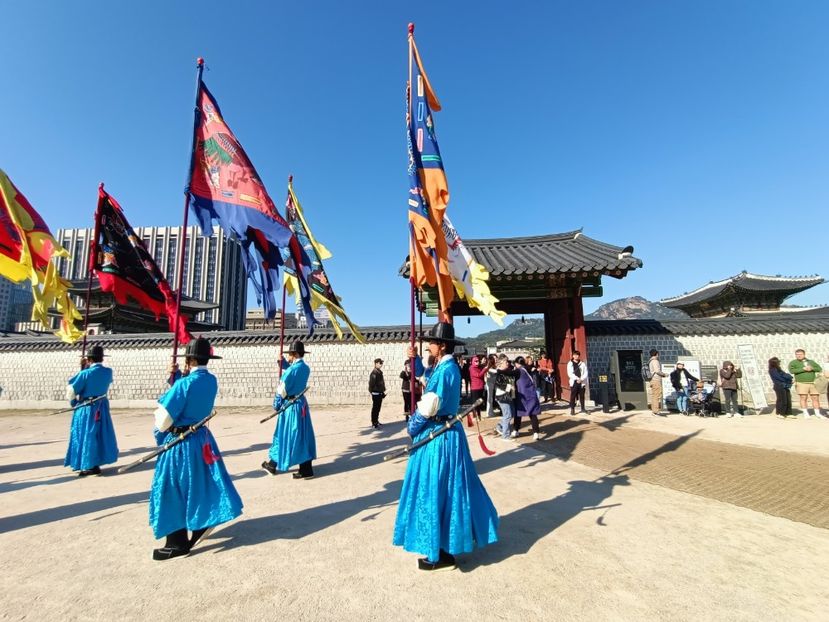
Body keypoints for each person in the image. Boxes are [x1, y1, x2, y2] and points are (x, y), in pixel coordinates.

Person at [393, 322, 499, 571]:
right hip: (447, 434)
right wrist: (415, 359)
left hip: (439, 437)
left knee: (437, 489)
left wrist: (412, 427)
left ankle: (439, 552)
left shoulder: (445, 370)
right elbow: (425, 377)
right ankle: (445, 545)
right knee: (447, 488)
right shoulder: (444, 366)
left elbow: (429, 405)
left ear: (440, 346)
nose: (428, 345)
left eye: (431, 342)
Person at [149, 336, 243, 560]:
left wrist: (174, 387)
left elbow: (163, 421)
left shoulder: (184, 384)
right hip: (200, 438)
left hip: (181, 442)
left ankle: (177, 542)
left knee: (171, 488)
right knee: (197, 484)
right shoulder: (210, 380)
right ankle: (202, 522)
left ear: (189, 359)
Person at [263, 340, 317, 477]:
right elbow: (294, 373)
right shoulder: (305, 368)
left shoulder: (290, 371)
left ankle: (273, 464)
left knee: (285, 435)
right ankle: (306, 469)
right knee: (302, 435)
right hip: (301, 405)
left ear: (295, 354)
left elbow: (281, 390)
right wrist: (283, 364)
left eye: (290, 354)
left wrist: (276, 405)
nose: (289, 356)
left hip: (290, 407)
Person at [64, 344, 118, 477]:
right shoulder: (108, 372)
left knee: (86, 435)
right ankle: (95, 463)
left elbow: (71, 390)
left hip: (87, 407)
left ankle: (87, 465)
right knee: (99, 434)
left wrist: (74, 403)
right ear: (102, 358)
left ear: (89, 359)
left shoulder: (84, 373)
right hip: (101, 406)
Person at [788, 349, 824, 419]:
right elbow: (791, 371)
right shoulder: (793, 362)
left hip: (813, 383)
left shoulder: (811, 361)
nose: (799, 356)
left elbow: (819, 368)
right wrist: (803, 369)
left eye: (800, 354)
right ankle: (806, 413)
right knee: (803, 397)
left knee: (815, 398)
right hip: (801, 383)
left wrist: (812, 368)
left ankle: (817, 413)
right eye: (797, 354)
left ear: (804, 354)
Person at [513, 356, 542, 440]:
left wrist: (499, 370)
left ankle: (515, 430)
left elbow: (509, 373)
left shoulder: (519, 370)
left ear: (517, 363)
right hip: (531, 394)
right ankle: (536, 433)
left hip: (521, 395)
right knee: (532, 414)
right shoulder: (528, 369)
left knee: (518, 413)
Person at [494, 354, 520, 439]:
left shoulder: (507, 371)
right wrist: (509, 387)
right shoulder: (499, 373)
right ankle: (505, 435)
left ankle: (499, 426)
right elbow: (498, 384)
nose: (507, 363)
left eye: (507, 361)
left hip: (508, 396)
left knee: (511, 413)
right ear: (500, 363)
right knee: (508, 415)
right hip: (502, 397)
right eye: (506, 362)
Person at [567, 350, 589, 416]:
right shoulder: (570, 363)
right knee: (573, 396)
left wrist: (581, 379)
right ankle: (572, 409)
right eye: (575, 355)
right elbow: (570, 373)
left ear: (579, 356)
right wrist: (577, 378)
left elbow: (586, 372)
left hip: (581, 382)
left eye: (577, 355)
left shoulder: (582, 363)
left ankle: (583, 408)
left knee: (582, 395)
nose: (576, 356)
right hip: (574, 381)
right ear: (573, 356)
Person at [648, 349, 668, 416]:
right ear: (656, 354)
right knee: (656, 396)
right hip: (656, 380)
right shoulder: (655, 361)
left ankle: (654, 411)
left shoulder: (650, 361)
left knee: (654, 396)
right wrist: (664, 374)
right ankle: (656, 411)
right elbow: (657, 371)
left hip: (652, 380)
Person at [368, 357, 386, 428]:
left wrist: (382, 391)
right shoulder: (374, 373)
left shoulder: (379, 372)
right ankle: (373, 422)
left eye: (382, 363)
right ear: (376, 364)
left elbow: (381, 383)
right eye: (380, 363)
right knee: (375, 408)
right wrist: (372, 391)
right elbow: (371, 384)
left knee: (378, 408)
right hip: (375, 393)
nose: (381, 364)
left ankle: (376, 421)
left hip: (379, 393)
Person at [468, 354, 487, 419]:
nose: (477, 362)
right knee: (475, 403)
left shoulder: (480, 367)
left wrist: (486, 366)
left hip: (481, 387)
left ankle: (479, 416)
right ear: (472, 361)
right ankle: (474, 416)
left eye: (478, 361)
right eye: (476, 361)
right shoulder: (471, 368)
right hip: (475, 388)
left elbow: (484, 370)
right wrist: (484, 369)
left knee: (480, 402)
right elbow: (478, 375)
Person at [484, 354, 499, 418]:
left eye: (496, 358)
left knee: (493, 398)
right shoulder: (488, 366)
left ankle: (491, 411)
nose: (495, 359)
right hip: (490, 383)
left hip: (494, 383)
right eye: (494, 358)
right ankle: (489, 412)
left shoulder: (495, 365)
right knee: (489, 398)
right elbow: (495, 371)